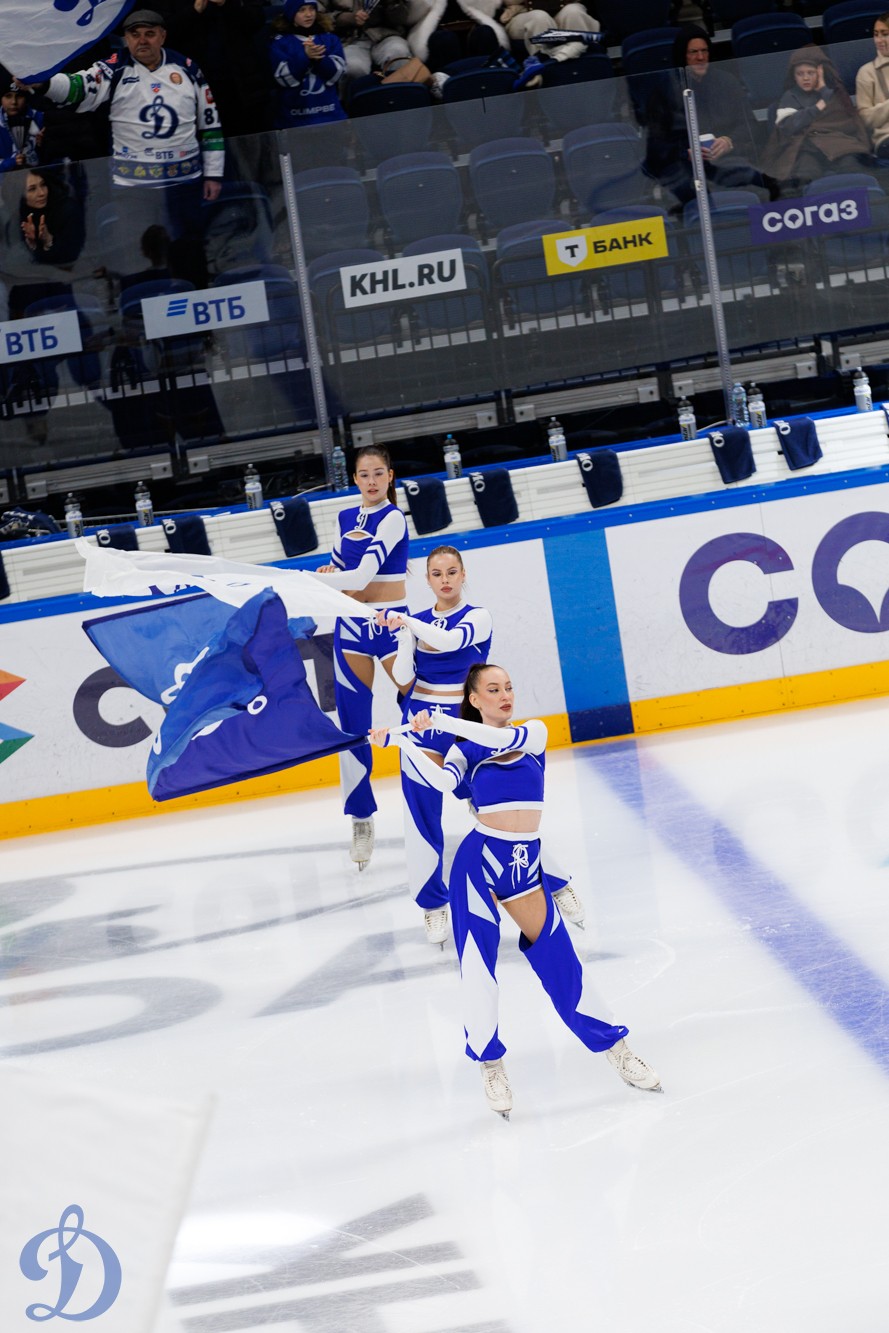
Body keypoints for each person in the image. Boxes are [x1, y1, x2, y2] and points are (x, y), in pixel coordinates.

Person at [370, 663, 661, 1118]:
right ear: (474, 699)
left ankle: (616, 1049)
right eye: (493, 689)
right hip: (478, 863)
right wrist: (403, 743)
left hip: (525, 864)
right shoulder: (464, 750)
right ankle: (490, 1064)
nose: (505, 695)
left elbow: (495, 739)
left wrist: (440, 721)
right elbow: (444, 782)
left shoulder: (532, 735)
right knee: (477, 968)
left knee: (560, 959)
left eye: (508, 687)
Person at [16, 9, 224, 258]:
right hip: (133, 186)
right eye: (135, 34)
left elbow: (210, 125)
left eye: (149, 34)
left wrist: (213, 174)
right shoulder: (114, 68)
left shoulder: (188, 68)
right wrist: (44, 83)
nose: (142, 40)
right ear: (126, 38)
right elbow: (79, 87)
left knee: (189, 249)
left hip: (184, 181)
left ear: (162, 36)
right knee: (137, 254)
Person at [311, 446, 409, 868]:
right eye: (364, 474)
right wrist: (326, 576)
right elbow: (340, 573)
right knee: (352, 726)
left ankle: (466, 788)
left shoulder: (393, 518)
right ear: (354, 479)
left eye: (378, 473)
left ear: (390, 476)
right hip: (350, 629)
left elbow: (364, 575)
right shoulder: (343, 518)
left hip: (391, 626)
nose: (371, 481)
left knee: (422, 708)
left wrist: (310, 582)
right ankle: (361, 819)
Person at [643, 25, 770, 210]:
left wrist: (728, 141)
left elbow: (750, 125)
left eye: (704, 51)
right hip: (683, 168)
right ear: (682, 56)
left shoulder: (727, 82)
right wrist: (685, 153)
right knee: (694, 197)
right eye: (693, 52)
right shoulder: (664, 90)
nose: (701, 57)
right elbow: (656, 145)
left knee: (760, 184)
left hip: (727, 160)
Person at [762, 45, 872, 193]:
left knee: (851, 168)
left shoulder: (835, 94)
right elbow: (787, 127)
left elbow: (845, 123)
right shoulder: (790, 96)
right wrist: (816, 108)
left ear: (820, 73)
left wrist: (823, 90)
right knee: (806, 173)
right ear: (794, 76)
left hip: (838, 143)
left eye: (811, 73)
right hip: (805, 147)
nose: (806, 78)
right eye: (800, 74)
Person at [269, 0, 347, 128]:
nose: (309, 14)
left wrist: (319, 58)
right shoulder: (280, 42)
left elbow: (337, 74)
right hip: (294, 121)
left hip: (331, 116)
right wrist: (304, 56)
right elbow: (284, 79)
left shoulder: (330, 39)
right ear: (291, 13)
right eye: (302, 10)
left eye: (312, 9)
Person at [18, 167, 85, 266]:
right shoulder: (19, 215)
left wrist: (49, 241)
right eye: (32, 189)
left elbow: (71, 257)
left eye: (43, 185)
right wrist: (32, 244)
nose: (41, 193)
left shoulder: (68, 210)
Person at [855, 13, 889, 163]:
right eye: (876, 34)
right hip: (886, 138)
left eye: (885, 34)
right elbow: (865, 120)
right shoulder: (866, 72)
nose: (879, 40)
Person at [0, 83, 43, 174]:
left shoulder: (40, 119)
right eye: (8, 96)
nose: (14, 102)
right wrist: (11, 162)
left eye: (19, 96)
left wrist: (44, 146)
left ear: (26, 98)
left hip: (36, 178)